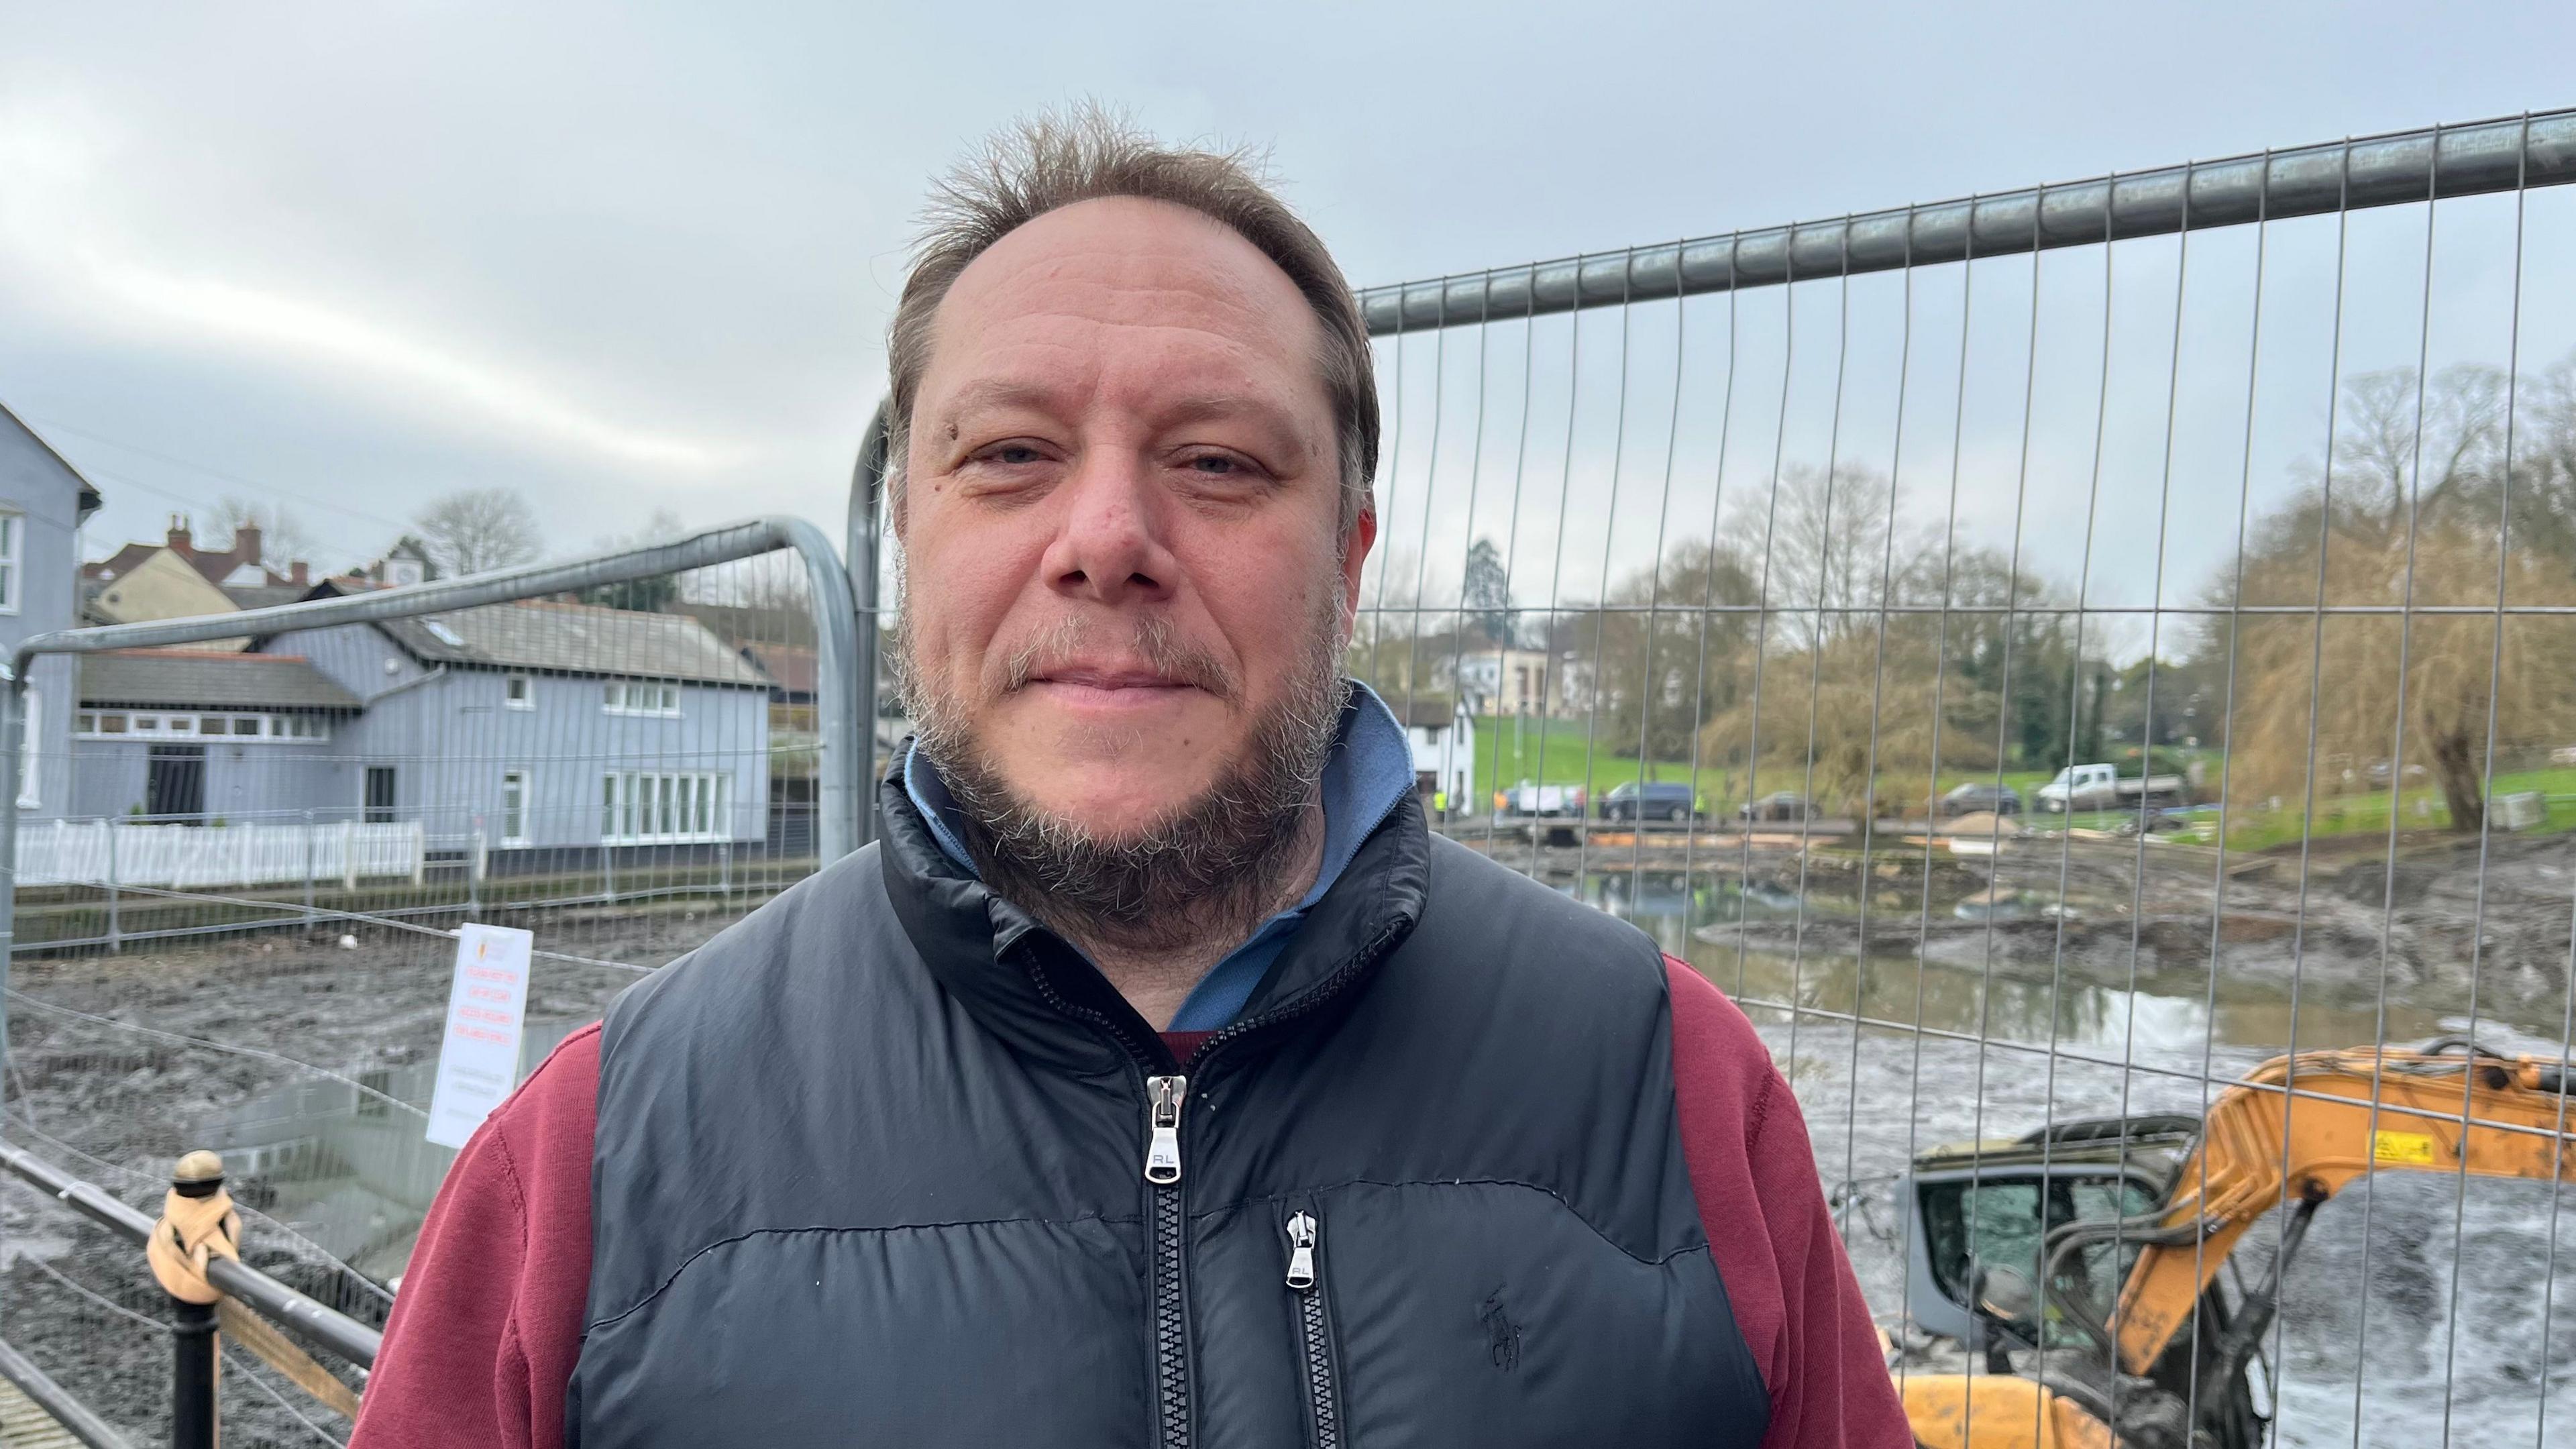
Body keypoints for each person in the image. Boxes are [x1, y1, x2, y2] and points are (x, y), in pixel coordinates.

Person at [351, 109, 1911, 1448]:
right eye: (1013, 454)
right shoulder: (593, 1156)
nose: (1106, 538)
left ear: (1350, 564)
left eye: (1222, 461)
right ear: (911, 536)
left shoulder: (1675, 1089)